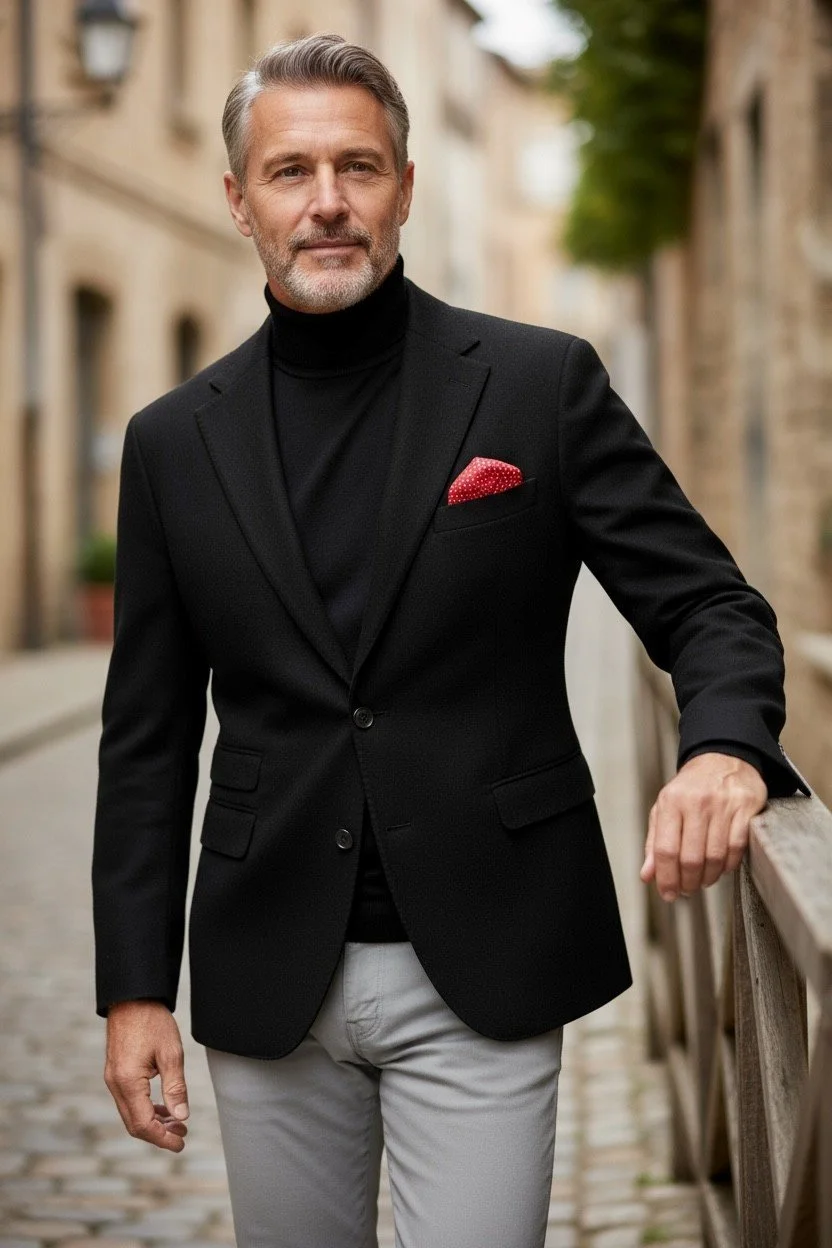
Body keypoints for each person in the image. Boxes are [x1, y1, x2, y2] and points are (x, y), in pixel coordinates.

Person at [92, 33, 806, 1248]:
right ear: (238, 201)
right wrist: (133, 989)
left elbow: (709, 605)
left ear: (407, 187)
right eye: (290, 171)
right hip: (269, 966)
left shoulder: (538, 386)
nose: (327, 203)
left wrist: (725, 750)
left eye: (359, 167)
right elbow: (146, 742)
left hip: (488, 949)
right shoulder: (173, 442)